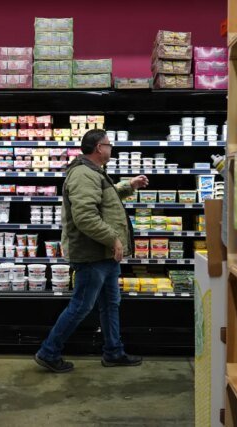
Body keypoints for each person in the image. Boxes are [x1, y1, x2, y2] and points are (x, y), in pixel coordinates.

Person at [34, 129, 149, 373]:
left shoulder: (94, 171)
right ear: (99, 148)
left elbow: (105, 198)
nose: (111, 148)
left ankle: (114, 352)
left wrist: (129, 185)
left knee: (110, 304)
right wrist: (113, 239)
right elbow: (85, 216)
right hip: (91, 255)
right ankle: (49, 352)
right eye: (109, 144)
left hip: (104, 254)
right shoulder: (83, 174)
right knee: (81, 306)